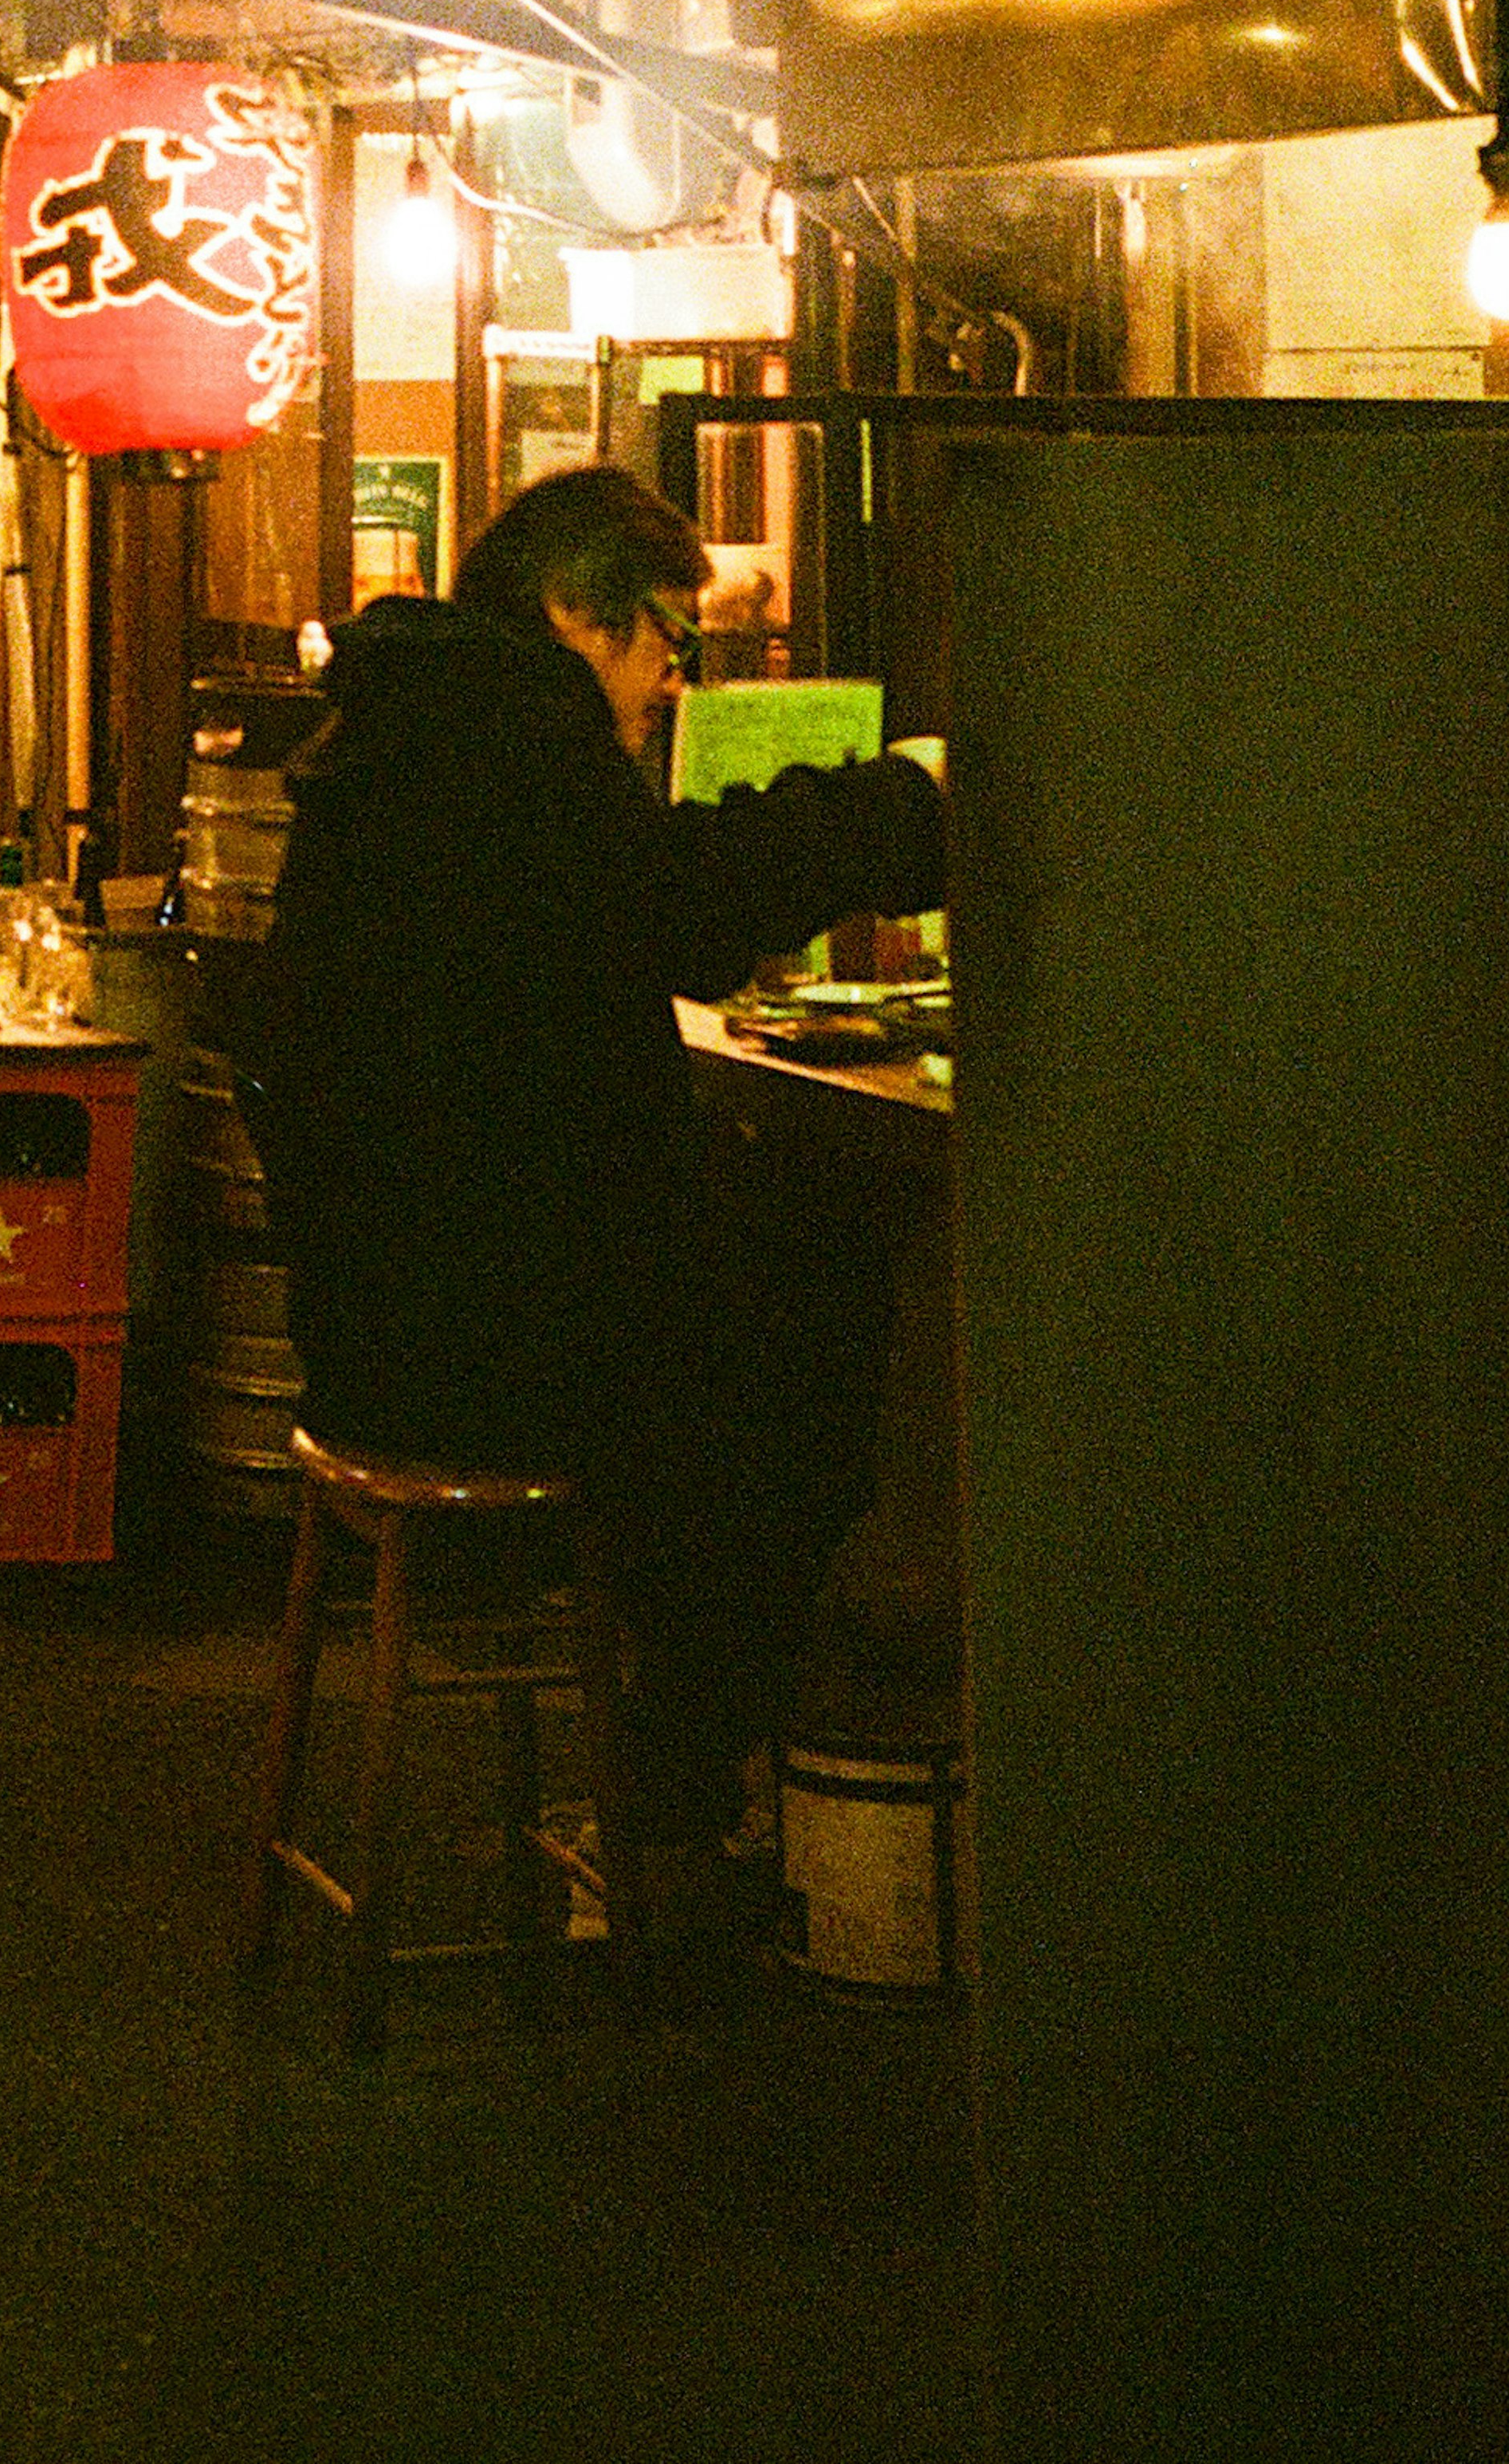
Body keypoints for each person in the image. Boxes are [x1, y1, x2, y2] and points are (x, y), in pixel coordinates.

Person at [242, 462, 947, 1957]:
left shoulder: (409, 733)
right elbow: (682, 906)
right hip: (482, 1350)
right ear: (576, 608)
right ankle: (674, 1809)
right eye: (664, 640)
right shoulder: (511, 741)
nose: (671, 677)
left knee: (776, 1291)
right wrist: (908, 801)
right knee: (816, 1362)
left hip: (382, 1313)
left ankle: (664, 1783)